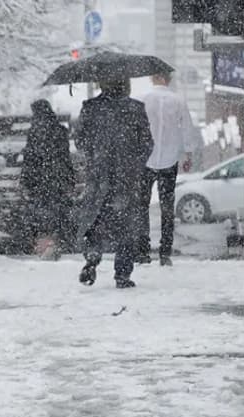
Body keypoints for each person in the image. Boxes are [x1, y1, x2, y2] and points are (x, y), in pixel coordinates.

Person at [75, 79, 154, 288]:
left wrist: (95, 155)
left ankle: (93, 254)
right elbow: (147, 143)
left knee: (96, 221)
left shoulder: (90, 107)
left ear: (102, 85)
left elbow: (79, 141)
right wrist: (135, 165)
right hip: (126, 178)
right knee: (126, 226)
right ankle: (122, 274)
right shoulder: (135, 108)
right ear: (125, 84)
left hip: (98, 177)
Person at [137, 71, 199, 267]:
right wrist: (188, 153)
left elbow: (136, 129)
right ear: (168, 79)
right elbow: (187, 129)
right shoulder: (178, 101)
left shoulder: (142, 99)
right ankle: (165, 252)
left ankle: (143, 251)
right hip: (170, 159)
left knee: (141, 207)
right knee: (167, 206)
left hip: (145, 160)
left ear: (153, 78)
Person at [20, 99, 76, 258]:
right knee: (57, 211)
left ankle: (42, 244)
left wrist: (25, 179)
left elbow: (30, 158)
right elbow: (65, 157)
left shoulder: (34, 131)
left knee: (38, 212)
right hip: (57, 178)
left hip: (37, 180)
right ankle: (55, 242)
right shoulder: (60, 130)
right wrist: (69, 178)